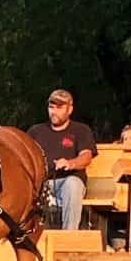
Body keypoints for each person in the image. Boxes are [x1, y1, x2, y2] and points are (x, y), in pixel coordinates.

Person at [28, 89, 97, 230]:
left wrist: (70, 163)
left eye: (59, 107)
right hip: (42, 183)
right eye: (51, 107)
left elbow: (86, 156)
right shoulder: (36, 131)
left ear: (70, 109)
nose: (54, 111)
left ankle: (68, 237)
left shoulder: (81, 130)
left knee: (72, 184)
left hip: (68, 180)